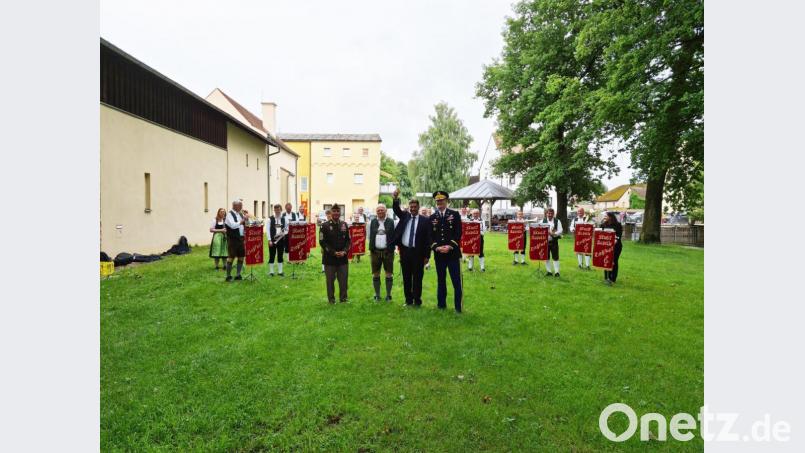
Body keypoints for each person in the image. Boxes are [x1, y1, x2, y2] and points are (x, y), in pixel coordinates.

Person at [392, 188, 431, 306]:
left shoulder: (425, 221)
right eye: (411, 207)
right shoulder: (405, 216)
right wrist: (395, 199)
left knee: (418, 278)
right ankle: (408, 300)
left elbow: (428, 240)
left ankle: (417, 300)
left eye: (415, 207)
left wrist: (427, 256)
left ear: (418, 207)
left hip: (418, 253)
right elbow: (396, 209)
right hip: (405, 251)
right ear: (409, 207)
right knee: (407, 277)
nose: (413, 209)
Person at [430, 191, 463, 313]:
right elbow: (430, 236)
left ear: (446, 201)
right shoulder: (432, 217)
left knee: (456, 281)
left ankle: (458, 307)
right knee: (441, 280)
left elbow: (458, 232)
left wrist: (450, 246)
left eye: (442, 200)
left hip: (452, 254)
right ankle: (441, 305)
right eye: (437, 201)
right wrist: (436, 248)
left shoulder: (454, 214)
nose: (439, 203)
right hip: (439, 255)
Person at [320, 203, 351, 303]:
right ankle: (331, 300)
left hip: (343, 259)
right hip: (330, 259)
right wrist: (333, 253)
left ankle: (343, 299)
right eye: (334, 211)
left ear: (340, 212)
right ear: (331, 212)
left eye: (338, 211)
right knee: (330, 281)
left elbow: (348, 241)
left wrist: (344, 251)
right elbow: (322, 242)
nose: (336, 213)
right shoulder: (324, 226)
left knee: (343, 281)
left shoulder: (344, 225)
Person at [369, 204, 395, 301]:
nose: (380, 212)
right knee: (376, 273)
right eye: (378, 210)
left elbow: (394, 236)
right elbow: (369, 236)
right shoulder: (372, 222)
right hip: (375, 251)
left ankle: (388, 295)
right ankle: (377, 295)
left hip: (388, 252)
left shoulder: (391, 222)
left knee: (388, 273)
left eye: (382, 210)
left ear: (386, 211)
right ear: (376, 212)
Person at [224, 199, 247, 281]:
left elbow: (245, 223)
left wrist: (246, 218)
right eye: (240, 205)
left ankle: (238, 274)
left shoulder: (240, 214)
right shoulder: (229, 215)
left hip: (241, 238)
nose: (241, 207)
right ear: (234, 206)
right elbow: (233, 225)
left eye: (241, 205)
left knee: (241, 256)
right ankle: (228, 276)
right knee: (231, 256)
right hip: (233, 239)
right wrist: (242, 221)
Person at [601, 211, 623, 285]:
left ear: (610, 217)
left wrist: (615, 240)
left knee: (614, 261)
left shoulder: (618, 225)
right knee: (606, 260)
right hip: (606, 246)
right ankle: (606, 277)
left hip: (616, 246)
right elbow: (600, 233)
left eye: (606, 216)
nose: (604, 217)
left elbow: (619, 235)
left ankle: (613, 278)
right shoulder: (604, 225)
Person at [541, 208, 563, 277]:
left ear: (553, 214)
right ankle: (549, 271)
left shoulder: (557, 221)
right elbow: (539, 229)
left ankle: (557, 272)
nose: (550, 215)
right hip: (545, 242)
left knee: (555, 257)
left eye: (551, 213)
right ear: (546, 214)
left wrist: (553, 233)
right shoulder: (542, 221)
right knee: (546, 257)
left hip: (554, 241)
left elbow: (560, 230)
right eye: (548, 213)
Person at [267, 204, 287, 276]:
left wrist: (282, 234)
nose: (277, 211)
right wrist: (269, 240)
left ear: (281, 210)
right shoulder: (270, 219)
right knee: (272, 255)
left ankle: (280, 272)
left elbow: (287, 229)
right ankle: (271, 272)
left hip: (281, 240)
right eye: (276, 210)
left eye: (278, 210)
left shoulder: (284, 219)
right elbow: (268, 230)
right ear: (274, 210)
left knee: (280, 255)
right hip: (272, 240)